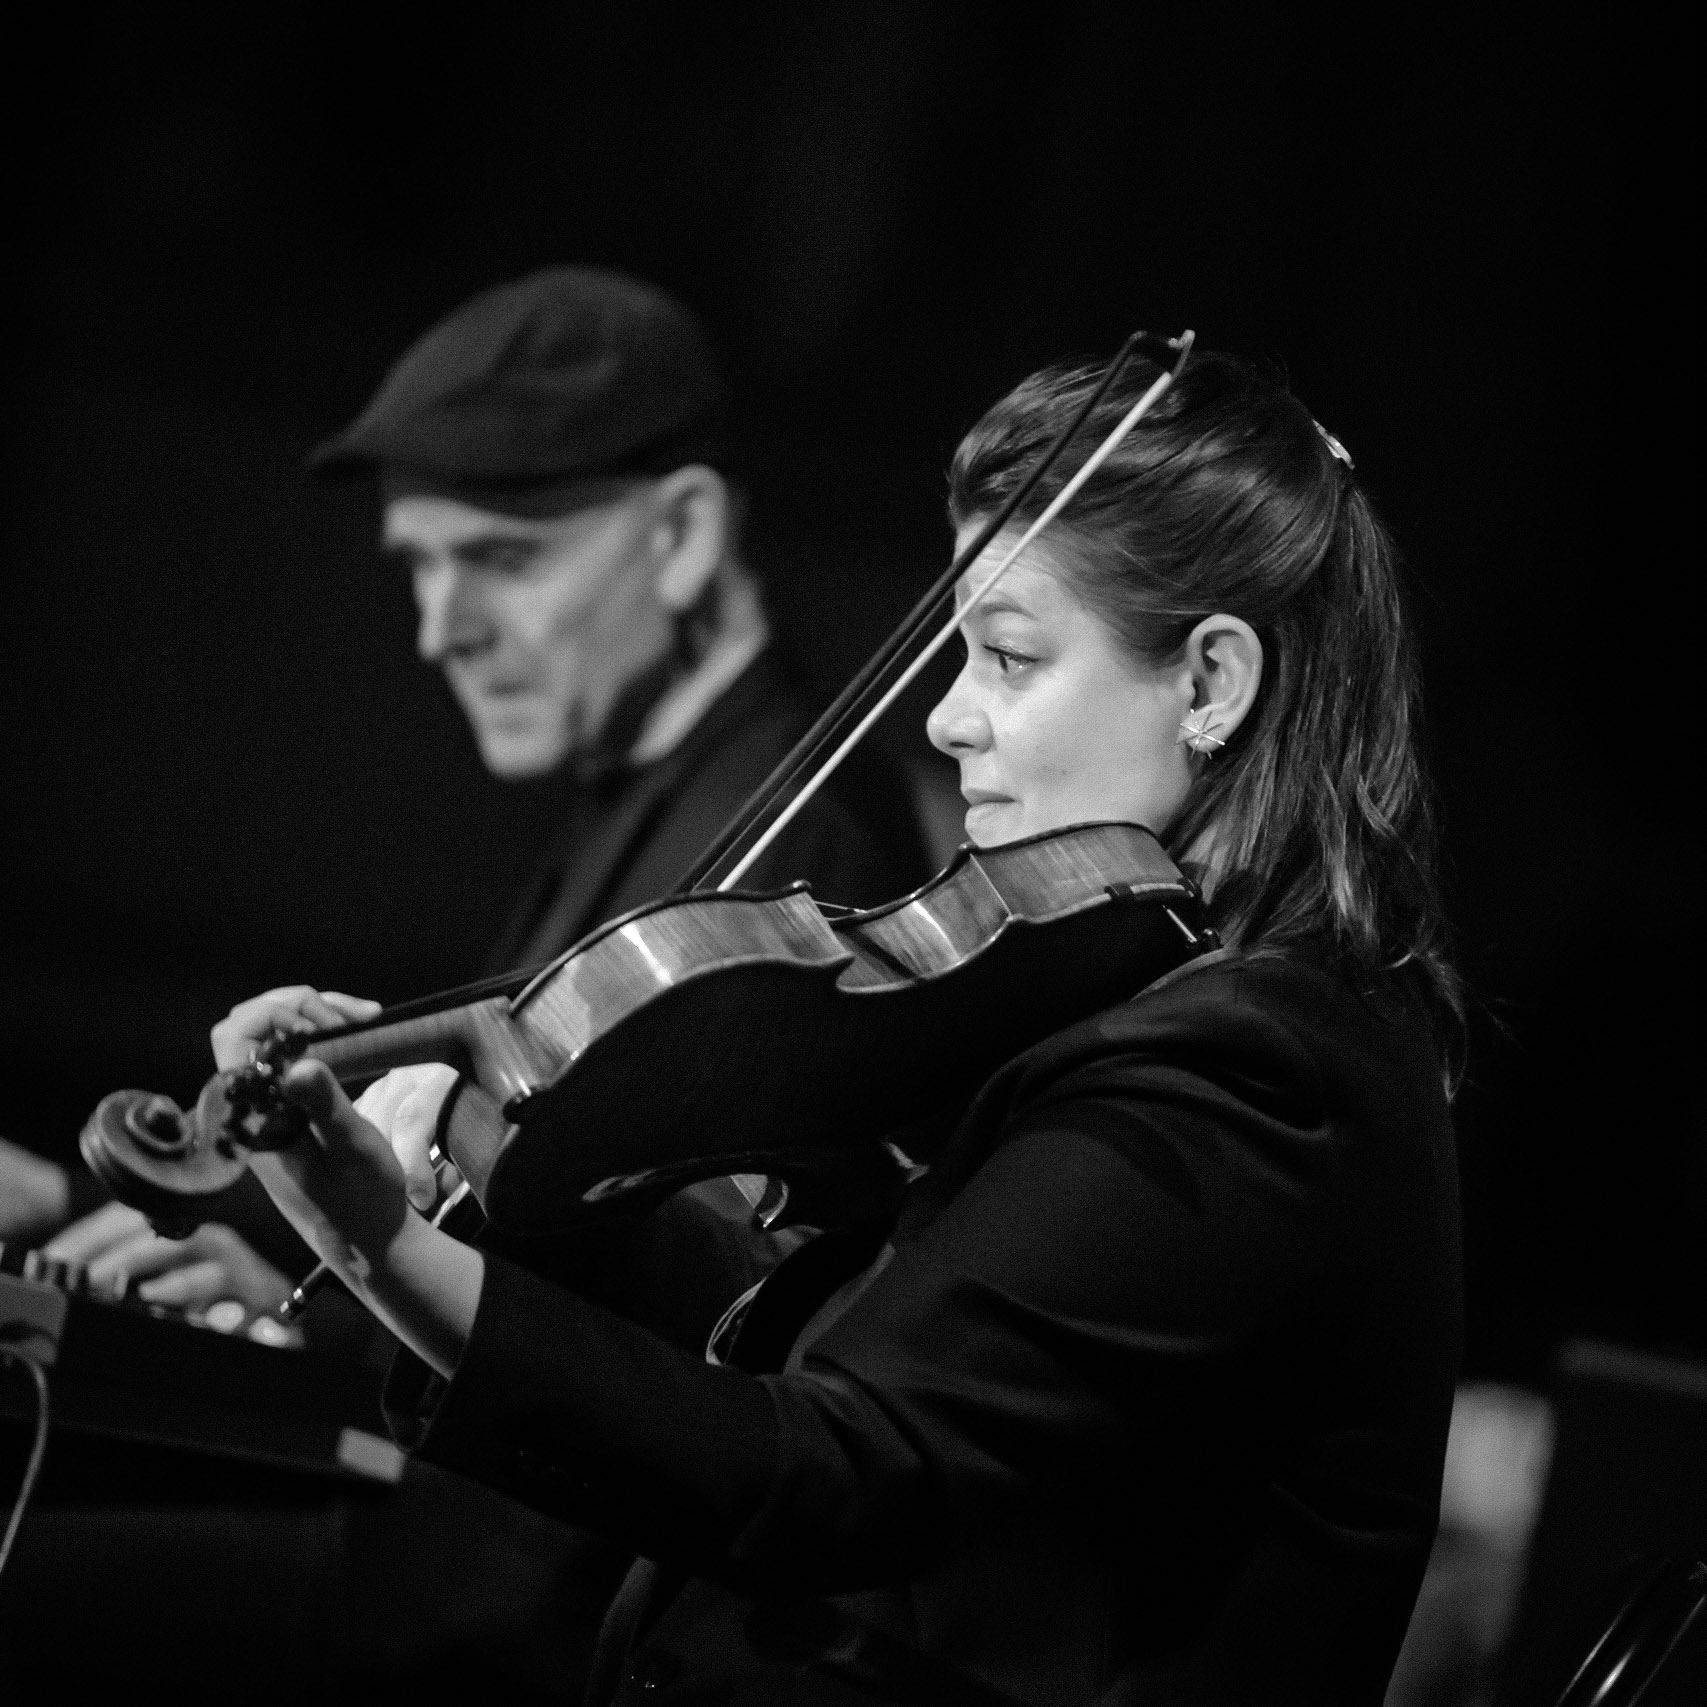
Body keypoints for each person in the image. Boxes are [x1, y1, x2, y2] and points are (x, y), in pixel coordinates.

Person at [185, 345, 1468, 1702]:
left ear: (1210, 681)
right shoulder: (1153, 1000)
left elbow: (826, 1469)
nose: (944, 712)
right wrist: (476, 1197)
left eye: (1008, 657)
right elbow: (796, 1332)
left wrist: (379, 1244)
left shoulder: (1254, 1071)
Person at [4, 265, 929, 1316]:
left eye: (500, 560)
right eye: (422, 569)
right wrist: (64, 1198)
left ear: (682, 538)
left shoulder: (794, 859)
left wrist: (331, 1335)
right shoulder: (654, 793)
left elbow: (679, 1333)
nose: (441, 633)